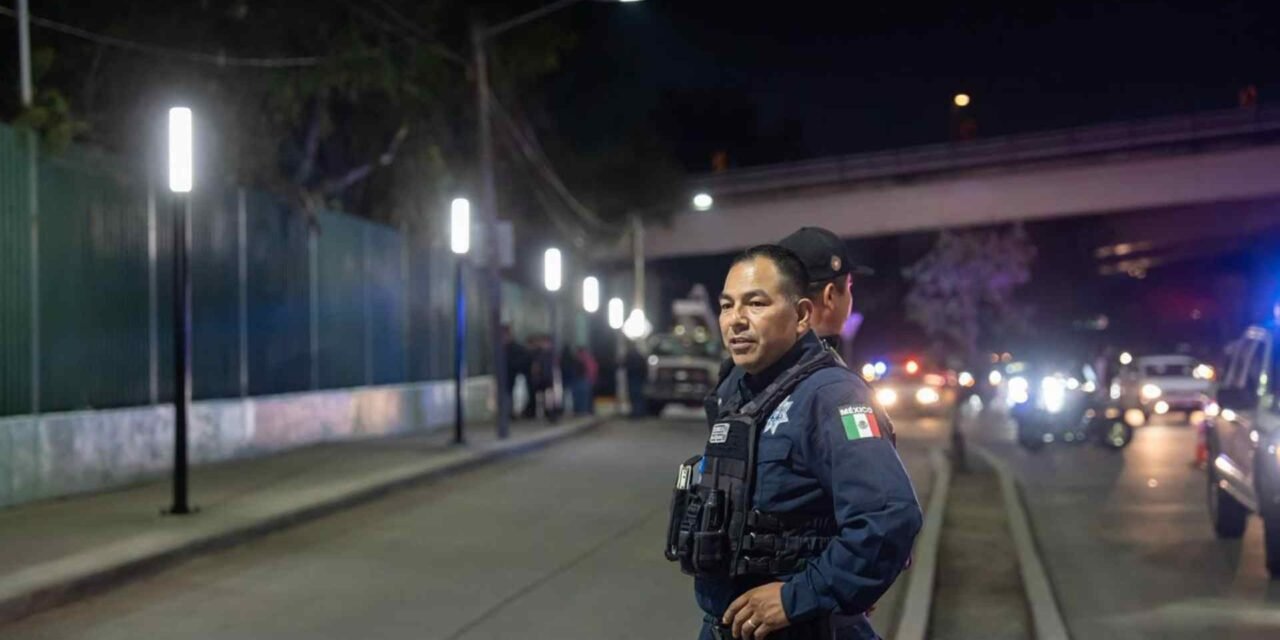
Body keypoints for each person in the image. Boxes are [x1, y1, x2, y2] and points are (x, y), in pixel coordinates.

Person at [671, 245, 921, 640]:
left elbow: (889, 517)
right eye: (726, 305)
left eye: (755, 304)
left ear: (802, 315)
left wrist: (803, 595)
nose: (736, 320)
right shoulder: (734, 389)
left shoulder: (833, 396)